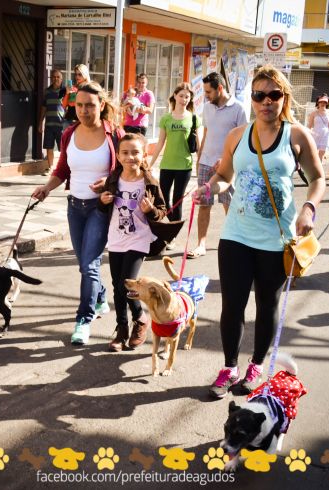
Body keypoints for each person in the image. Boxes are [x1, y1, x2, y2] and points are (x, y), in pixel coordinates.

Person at [191, 65, 325, 399]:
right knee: (232, 305)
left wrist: (308, 208)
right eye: (259, 95)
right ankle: (229, 367)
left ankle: (256, 365)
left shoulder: (296, 136)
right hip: (236, 234)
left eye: (273, 95)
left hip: (276, 239)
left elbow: (318, 178)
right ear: (251, 99)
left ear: (284, 97)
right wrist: (209, 188)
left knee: (267, 304)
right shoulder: (238, 135)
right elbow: (224, 176)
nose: (266, 101)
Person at [32, 81, 124, 345]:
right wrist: (46, 188)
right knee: (84, 263)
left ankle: (84, 320)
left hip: (100, 208)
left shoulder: (114, 134)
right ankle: (100, 295)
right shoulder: (69, 133)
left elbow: (128, 168)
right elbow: (62, 169)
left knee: (89, 265)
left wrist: (108, 182)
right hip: (75, 207)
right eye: (79, 105)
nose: (84, 110)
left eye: (90, 105)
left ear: (101, 105)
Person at [98, 133, 167, 352]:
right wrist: (102, 201)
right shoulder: (113, 179)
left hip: (139, 238)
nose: (130, 157)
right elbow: (103, 208)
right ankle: (122, 330)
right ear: (118, 156)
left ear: (144, 154)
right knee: (117, 287)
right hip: (116, 237)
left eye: (135, 152)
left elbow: (162, 211)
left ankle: (139, 319)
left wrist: (151, 210)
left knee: (125, 284)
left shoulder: (149, 182)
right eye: (125, 153)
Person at [188, 72, 247, 259]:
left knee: (229, 205)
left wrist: (229, 159)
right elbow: (206, 133)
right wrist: (199, 159)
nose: (206, 96)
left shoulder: (238, 108)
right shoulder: (207, 107)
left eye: (208, 92)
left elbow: (243, 140)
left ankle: (235, 244)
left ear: (220, 88)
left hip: (228, 167)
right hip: (206, 163)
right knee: (204, 205)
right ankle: (201, 245)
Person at [149, 82, 202, 225]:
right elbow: (160, 143)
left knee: (178, 200)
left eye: (187, 97)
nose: (184, 99)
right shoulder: (166, 118)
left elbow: (199, 146)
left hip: (184, 166)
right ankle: (173, 225)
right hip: (167, 164)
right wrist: (150, 164)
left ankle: (173, 230)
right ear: (175, 96)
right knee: (163, 199)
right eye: (181, 96)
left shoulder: (194, 119)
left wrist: (200, 166)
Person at [39, 69, 66, 175]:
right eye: (54, 77)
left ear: (61, 79)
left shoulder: (65, 91)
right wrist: (40, 123)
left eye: (58, 77)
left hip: (61, 126)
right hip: (49, 125)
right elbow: (44, 108)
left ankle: (63, 169)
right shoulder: (47, 91)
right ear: (51, 78)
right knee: (49, 147)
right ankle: (51, 168)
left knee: (63, 149)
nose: (56, 79)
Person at [307, 94, 329, 162]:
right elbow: (309, 126)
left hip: (325, 135)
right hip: (315, 135)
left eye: (325, 102)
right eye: (321, 102)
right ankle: (313, 167)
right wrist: (306, 135)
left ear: (327, 103)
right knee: (313, 154)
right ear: (318, 103)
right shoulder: (313, 113)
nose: (323, 103)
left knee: (321, 155)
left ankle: (319, 167)